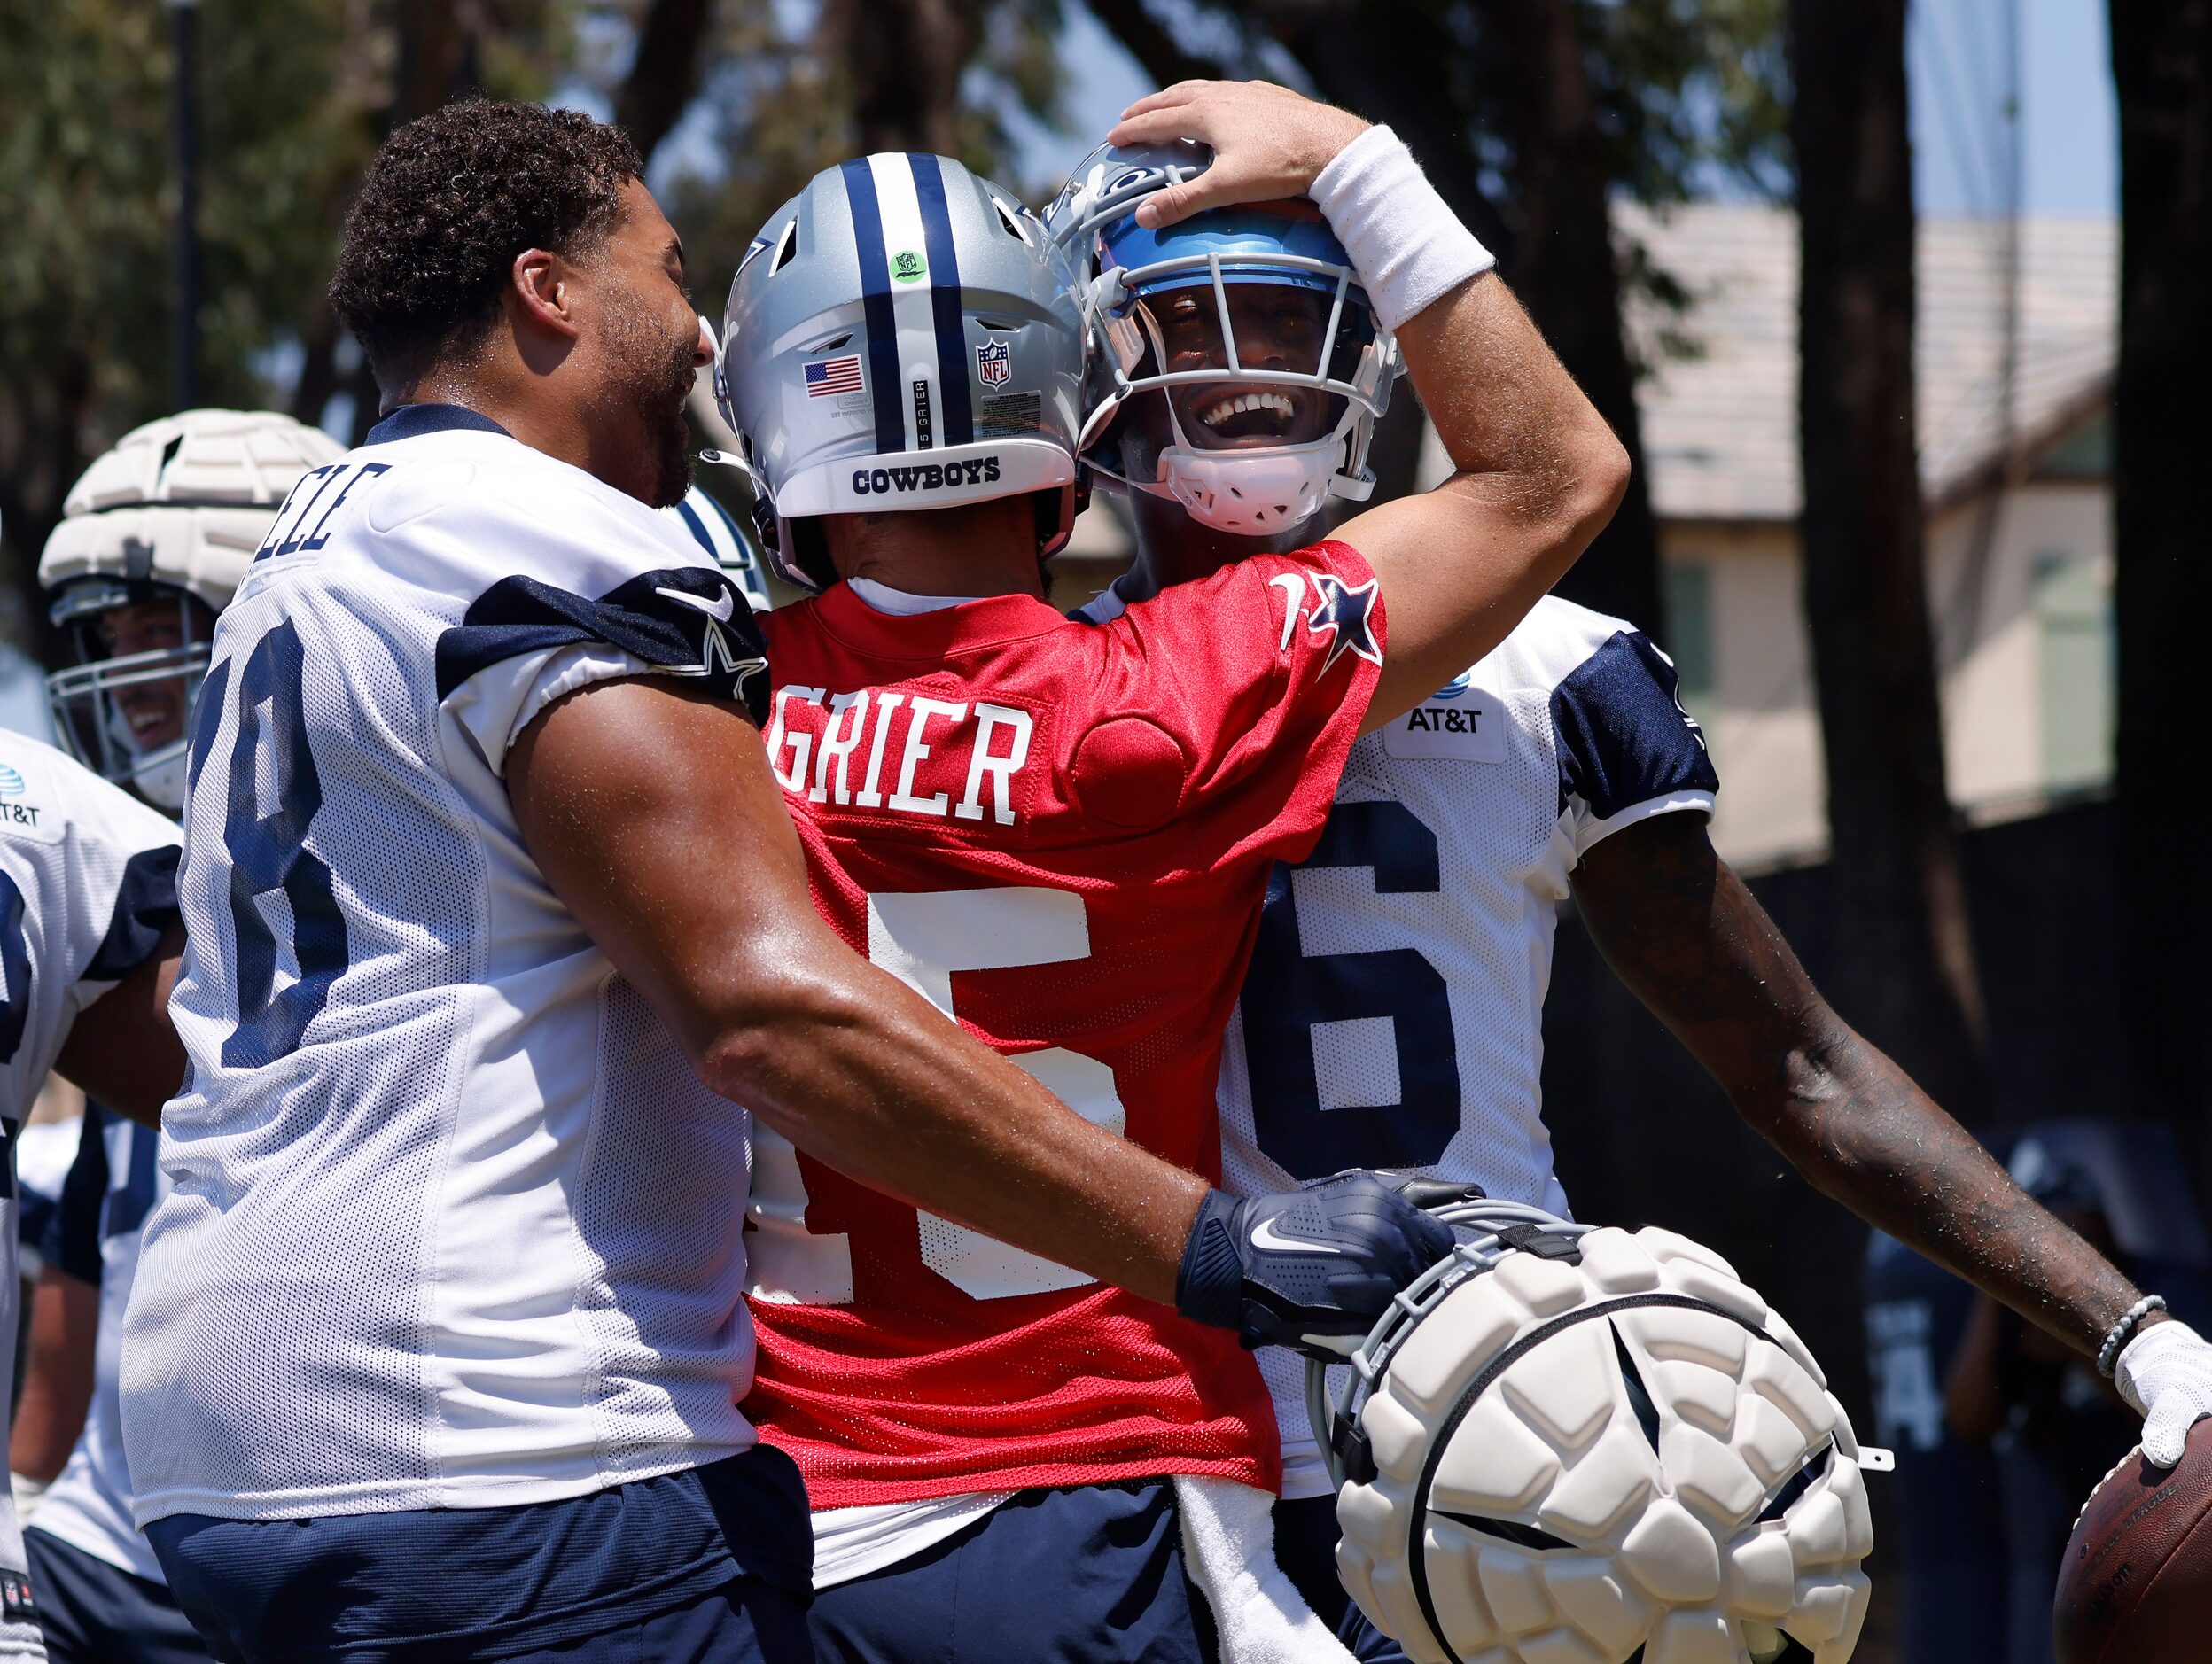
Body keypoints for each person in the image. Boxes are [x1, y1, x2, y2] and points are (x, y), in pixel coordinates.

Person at [116, 98, 1446, 1664]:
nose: (693, 334)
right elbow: (763, 1013)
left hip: (215, 1440)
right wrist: (1217, 1245)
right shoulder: (555, 537)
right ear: (551, 291)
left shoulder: (306, 546)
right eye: (667, 271)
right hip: (504, 1439)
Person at [1043, 130, 2212, 1654]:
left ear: (1377, 347)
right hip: (1176, 1459)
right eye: (1191, 326)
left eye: (1283, 320)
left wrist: (2136, 1331)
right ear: (1094, 363)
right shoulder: (1035, 694)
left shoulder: (1538, 677)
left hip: (1523, 1441)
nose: (1247, 375)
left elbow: (1794, 1059)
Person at [713, 81, 1626, 1663]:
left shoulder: (694, 714)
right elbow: (1553, 474)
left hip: (797, 1508)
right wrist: (1355, 158)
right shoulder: (1164, 702)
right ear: (1067, 410)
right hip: (1096, 1494)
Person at [19, 409, 338, 1664]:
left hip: (333, 1502)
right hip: (114, 1540)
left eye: (163, 630)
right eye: (113, 635)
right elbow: (87, 1256)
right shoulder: (123, 903)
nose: (131, 675)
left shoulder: (392, 882)